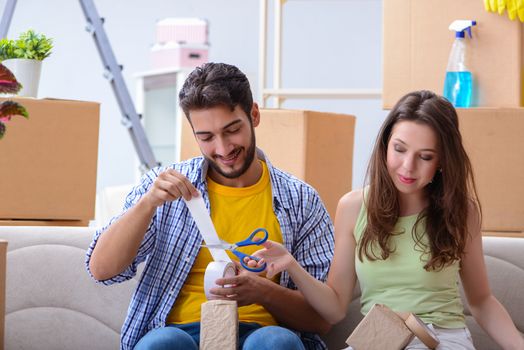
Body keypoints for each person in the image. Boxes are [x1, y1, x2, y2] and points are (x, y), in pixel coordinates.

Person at [247, 90, 524, 349]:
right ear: (384, 146)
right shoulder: (354, 207)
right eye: (399, 149)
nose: (407, 166)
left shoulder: (461, 212)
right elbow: (335, 307)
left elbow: (481, 301)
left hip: (440, 338)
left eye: (425, 156)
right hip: (379, 339)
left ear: (442, 162)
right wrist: (291, 265)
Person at [85, 62, 334, 350]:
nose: (223, 148)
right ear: (194, 134)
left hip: (261, 334)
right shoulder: (163, 188)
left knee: (277, 342)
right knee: (163, 344)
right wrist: (147, 204)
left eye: (232, 130)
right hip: (178, 333)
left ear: (254, 115)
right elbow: (101, 271)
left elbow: (321, 320)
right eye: (206, 137)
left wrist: (263, 292)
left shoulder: (300, 200)